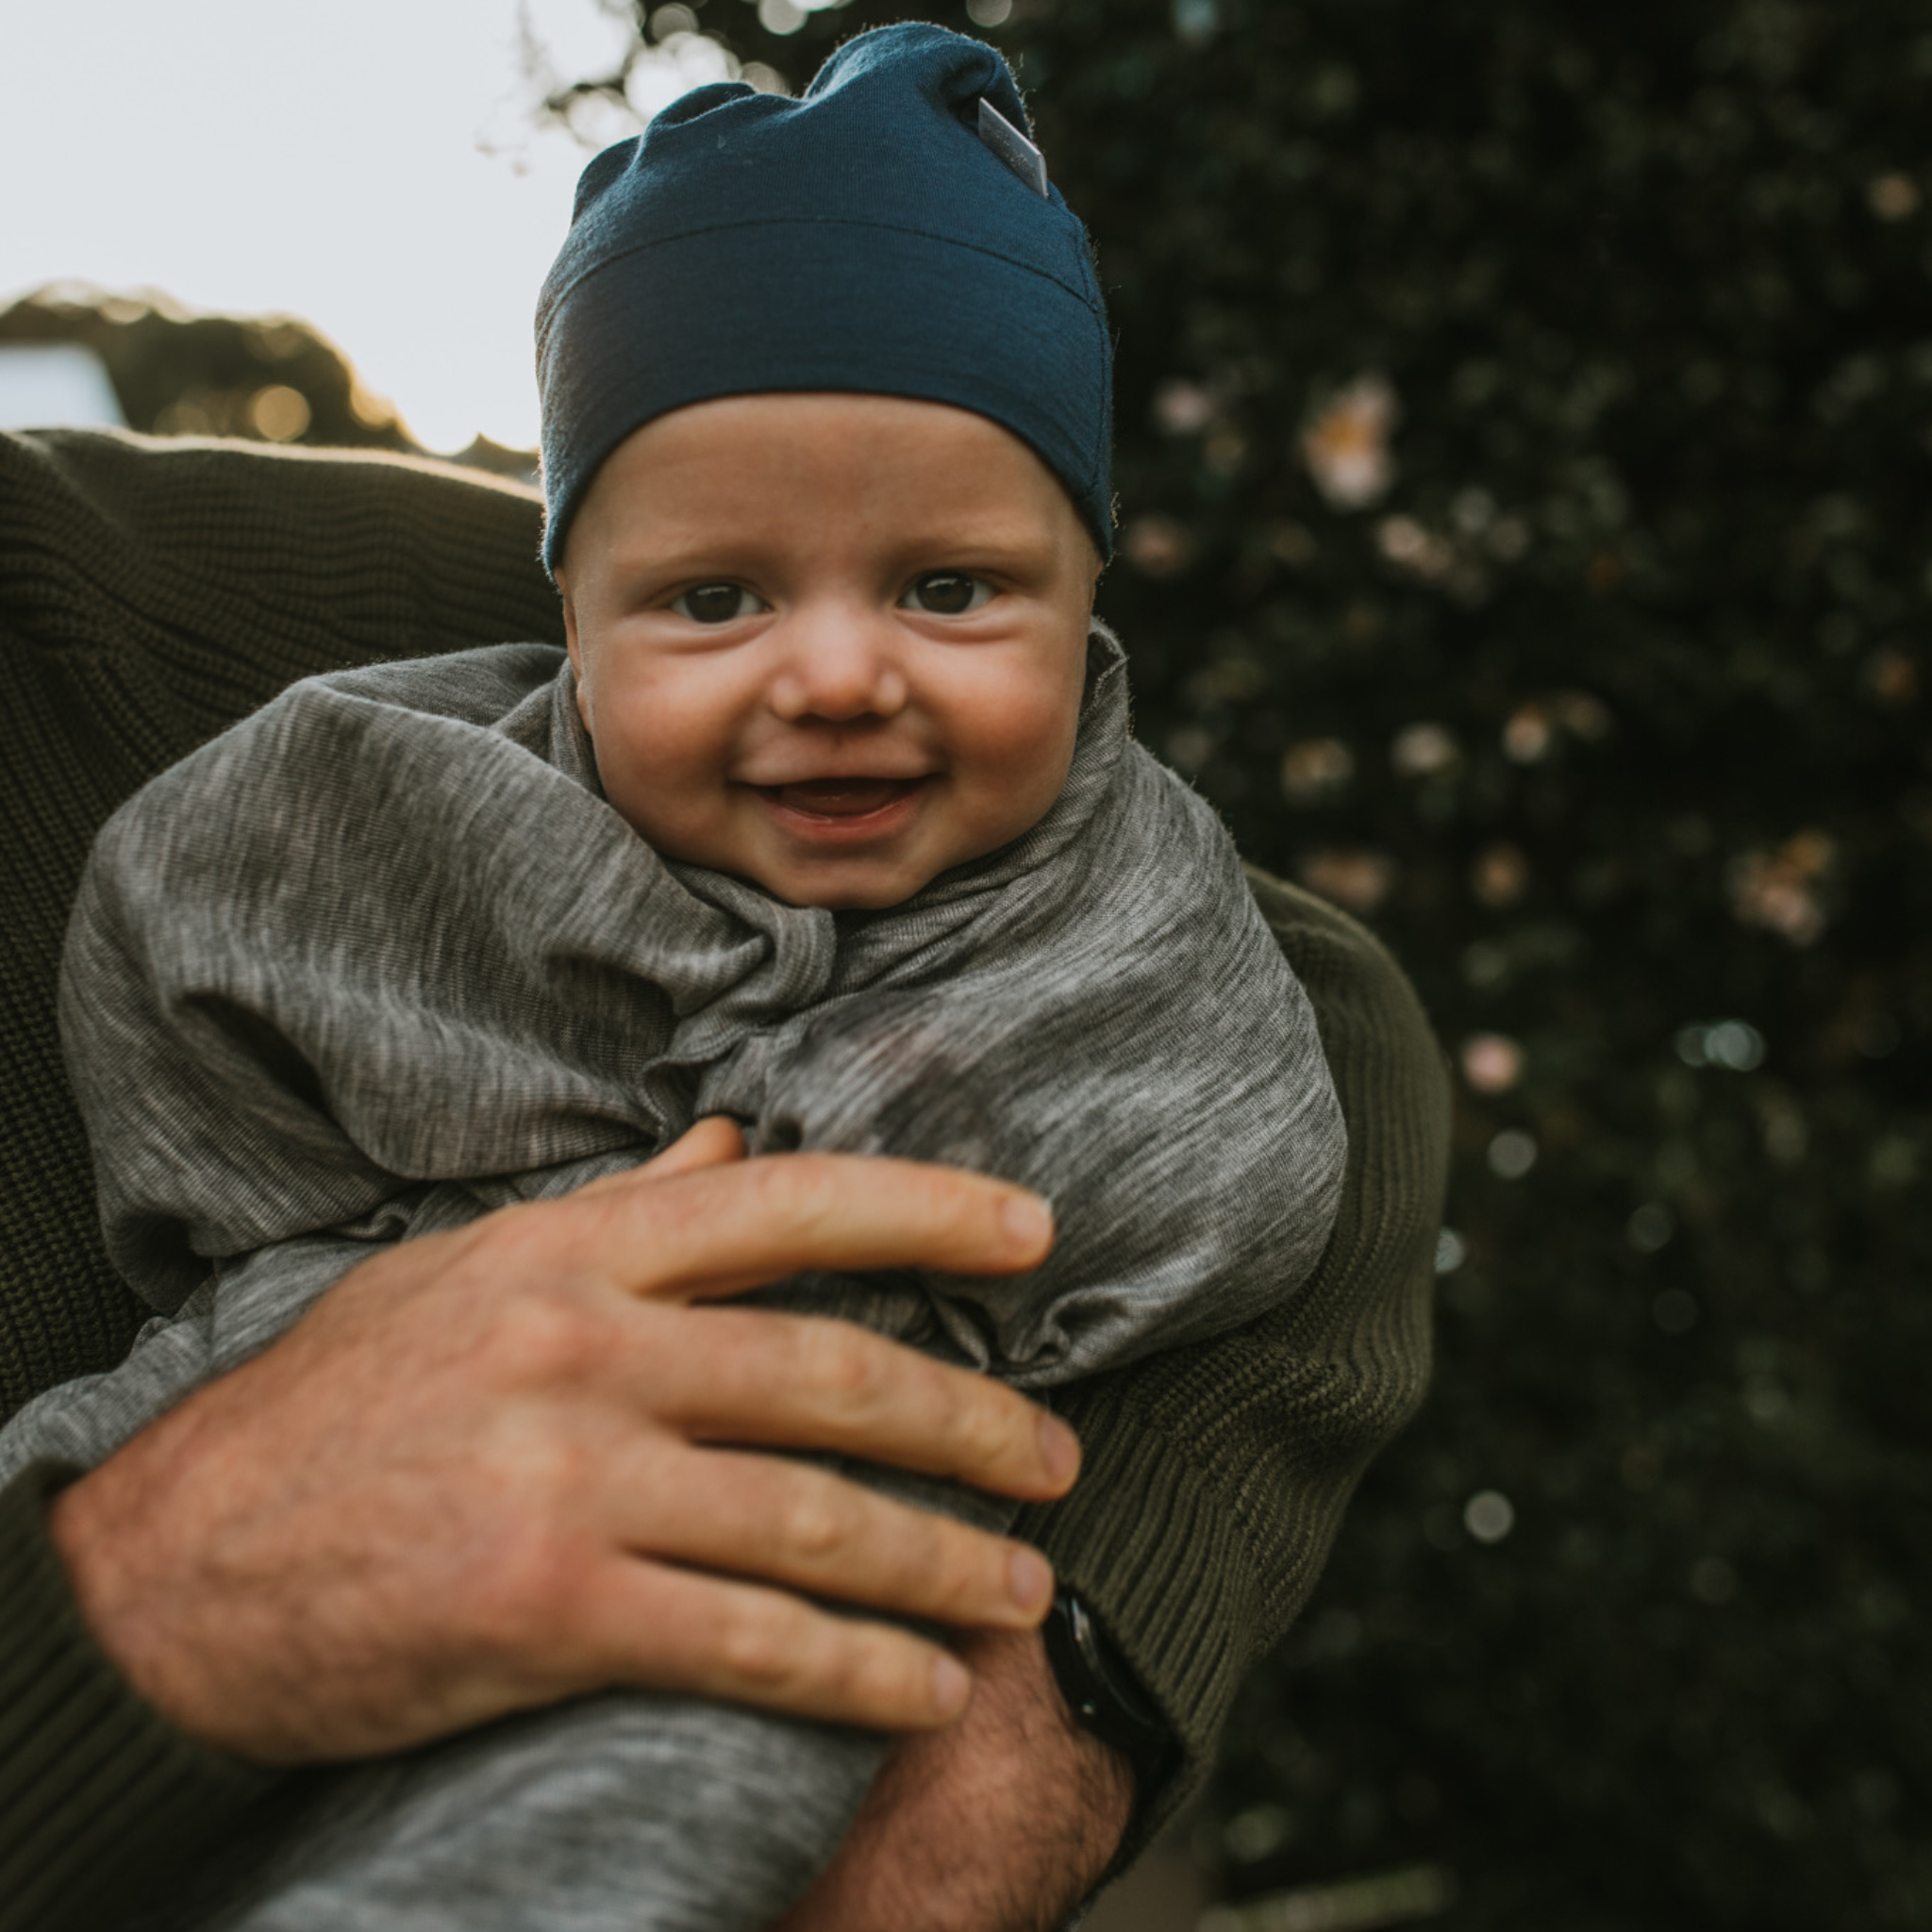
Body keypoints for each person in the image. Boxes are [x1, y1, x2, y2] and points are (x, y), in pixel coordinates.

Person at [0, 58, 1449, 1932]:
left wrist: (976, 1337)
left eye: (949, 587)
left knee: (627, 1812)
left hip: (790, 1496)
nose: (838, 672)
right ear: (571, 611)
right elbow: (184, 965)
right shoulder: (391, 786)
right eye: (709, 605)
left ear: (1092, 593)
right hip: (280, 1354)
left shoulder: (1125, 911)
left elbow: (1262, 1116)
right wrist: (308, 1258)